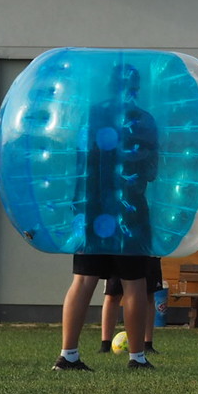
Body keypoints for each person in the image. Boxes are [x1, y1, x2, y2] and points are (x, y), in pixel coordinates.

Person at [54, 62, 157, 371]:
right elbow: (151, 171)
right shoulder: (143, 120)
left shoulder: (92, 116)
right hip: (130, 210)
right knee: (134, 283)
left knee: (83, 280)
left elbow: (79, 163)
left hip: (92, 210)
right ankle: (137, 357)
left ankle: (68, 355)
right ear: (137, 88)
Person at [100, 257, 166, 353]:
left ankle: (147, 344)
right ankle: (105, 345)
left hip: (147, 254)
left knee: (148, 295)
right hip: (118, 252)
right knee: (112, 294)